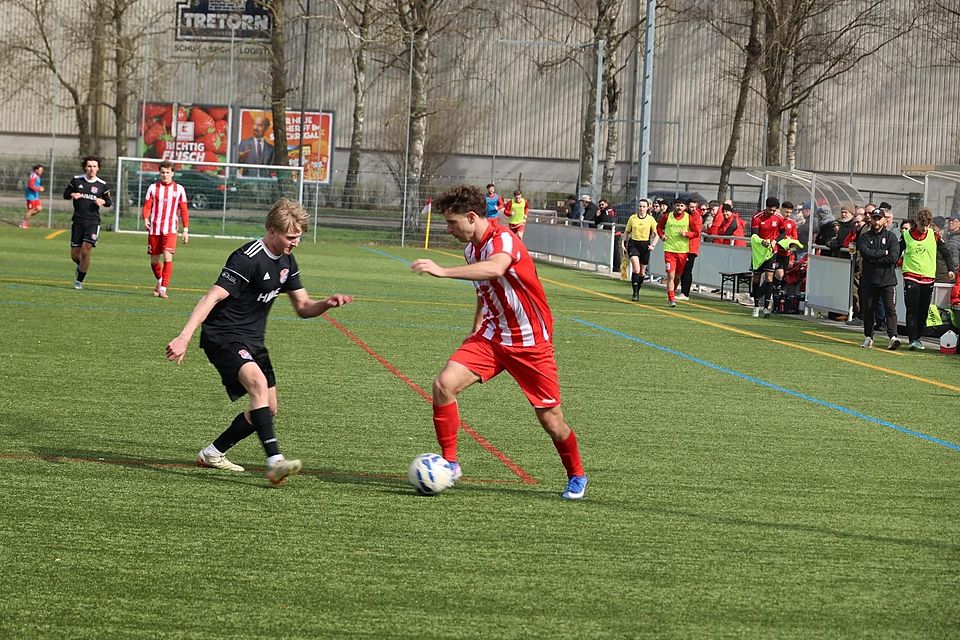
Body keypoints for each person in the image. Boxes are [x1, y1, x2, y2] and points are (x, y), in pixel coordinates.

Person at [410, 185, 588, 500]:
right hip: (492, 337)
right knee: (443, 385)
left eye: (452, 223)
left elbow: (495, 268)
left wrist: (442, 271)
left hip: (530, 342)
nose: (449, 230)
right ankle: (450, 464)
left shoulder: (504, 239)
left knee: (551, 420)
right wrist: (477, 325)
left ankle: (576, 474)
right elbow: (485, 287)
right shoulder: (470, 250)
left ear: (471, 217)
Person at [165, 198, 354, 485]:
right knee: (257, 384)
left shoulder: (288, 261)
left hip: (253, 340)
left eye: (299, 237)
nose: (296, 243)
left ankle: (213, 453)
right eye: (291, 237)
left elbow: (303, 307)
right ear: (272, 230)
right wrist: (184, 336)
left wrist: (326, 304)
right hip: (223, 335)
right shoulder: (247, 257)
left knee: (268, 407)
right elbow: (211, 297)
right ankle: (275, 462)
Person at [899, 208, 957, 350]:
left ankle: (918, 337)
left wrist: (951, 269)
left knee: (923, 310)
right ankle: (912, 339)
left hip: (928, 278)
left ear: (930, 224)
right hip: (911, 276)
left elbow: (946, 253)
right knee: (912, 309)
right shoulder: (907, 235)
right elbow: (897, 251)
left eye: (927, 225)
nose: (924, 228)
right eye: (922, 225)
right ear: (917, 222)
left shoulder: (935, 236)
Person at [63, 156, 113, 290]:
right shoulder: (76, 180)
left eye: (94, 166)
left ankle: (79, 281)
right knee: (75, 254)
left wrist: (102, 201)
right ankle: (81, 266)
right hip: (78, 221)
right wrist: (73, 194)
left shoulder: (102, 185)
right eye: (89, 166)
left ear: (98, 168)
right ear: (85, 167)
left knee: (85, 250)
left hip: (93, 222)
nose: (92, 169)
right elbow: (65, 194)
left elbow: (109, 202)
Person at [142, 160, 190, 298]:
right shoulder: (152, 188)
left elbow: (184, 210)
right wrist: (145, 218)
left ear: (173, 173)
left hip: (170, 229)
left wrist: (185, 230)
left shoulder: (179, 189)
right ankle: (160, 281)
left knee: (168, 256)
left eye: (168, 172)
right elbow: (147, 206)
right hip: (155, 229)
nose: (165, 175)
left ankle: (163, 288)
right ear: (159, 173)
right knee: (154, 261)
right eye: (163, 172)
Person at [856, 209, 902, 350]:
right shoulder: (865, 237)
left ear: (884, 220)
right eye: (874, 218)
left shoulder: (891, 237)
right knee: (869, 310)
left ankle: (893, 337)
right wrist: (883, 253)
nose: (876, 221)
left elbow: (894, 257)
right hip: (869, 280)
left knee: (890, 309)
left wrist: (875, 257)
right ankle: (868, 337)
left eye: (879, 218)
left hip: (887, 280)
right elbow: (865, 253)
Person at [749, 197, 785, 317]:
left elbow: (783, 233)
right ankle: (755, 306)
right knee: (756, 278)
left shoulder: (779, 218)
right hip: (759, 252)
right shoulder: (757, 217)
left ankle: (766, 307)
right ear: (766, 207)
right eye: (770, 210)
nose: (772, 212)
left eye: (774, 210)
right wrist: (762, 241)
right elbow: (754, 235)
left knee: (769, 278)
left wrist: (775, 241)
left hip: (771, 251)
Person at [657, 199, 695, 308]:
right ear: (674, 206)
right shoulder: (667, 216)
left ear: (685, 207)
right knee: (671, 275)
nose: (679, 207)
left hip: (683, 251)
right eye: (677, 205)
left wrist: (687, 233)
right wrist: (662, 236)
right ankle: (671, 298)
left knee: (677, 276)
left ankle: (671, 292)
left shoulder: (689, 218)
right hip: (669, 250)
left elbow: (696, 232)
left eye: (682, 206)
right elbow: (659, 227)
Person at [621, 198, 659, 301]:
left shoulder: (650, 219)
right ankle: (635, 293)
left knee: (642, 273)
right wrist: (623, 242)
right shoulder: (632, 218)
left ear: (647, 208)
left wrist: (653, 245)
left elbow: (657, 234)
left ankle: (638, 287)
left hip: (645, 246)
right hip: (634, 244)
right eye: (640, 206)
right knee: (636, 269)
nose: (641, 208)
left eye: (643, 206)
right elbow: (627, 232)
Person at [677, 197, 704, 300]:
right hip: (684, 246)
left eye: (694, 207)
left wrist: (685, 233)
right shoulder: (687, 215)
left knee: (687, 270)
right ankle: (683, 292)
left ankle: (685, 293)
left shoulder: (696, 216)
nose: (693, 208)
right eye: (691, 206)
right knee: (683, 270)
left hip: (691, 247)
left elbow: (696, 232)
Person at [20, 164, 44, 228]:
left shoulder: (37, 176)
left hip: (35, 196)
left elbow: (35, 185)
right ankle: (24, 223)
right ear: (36, 170)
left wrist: (39, 187)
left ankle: (24, 218)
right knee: (31, 210)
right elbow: (30, 185)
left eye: (42, 170)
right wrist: (39, 189)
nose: (41, 171)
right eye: (40, 170)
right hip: (31, 196)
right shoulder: (33, 176)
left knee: (39, 209)